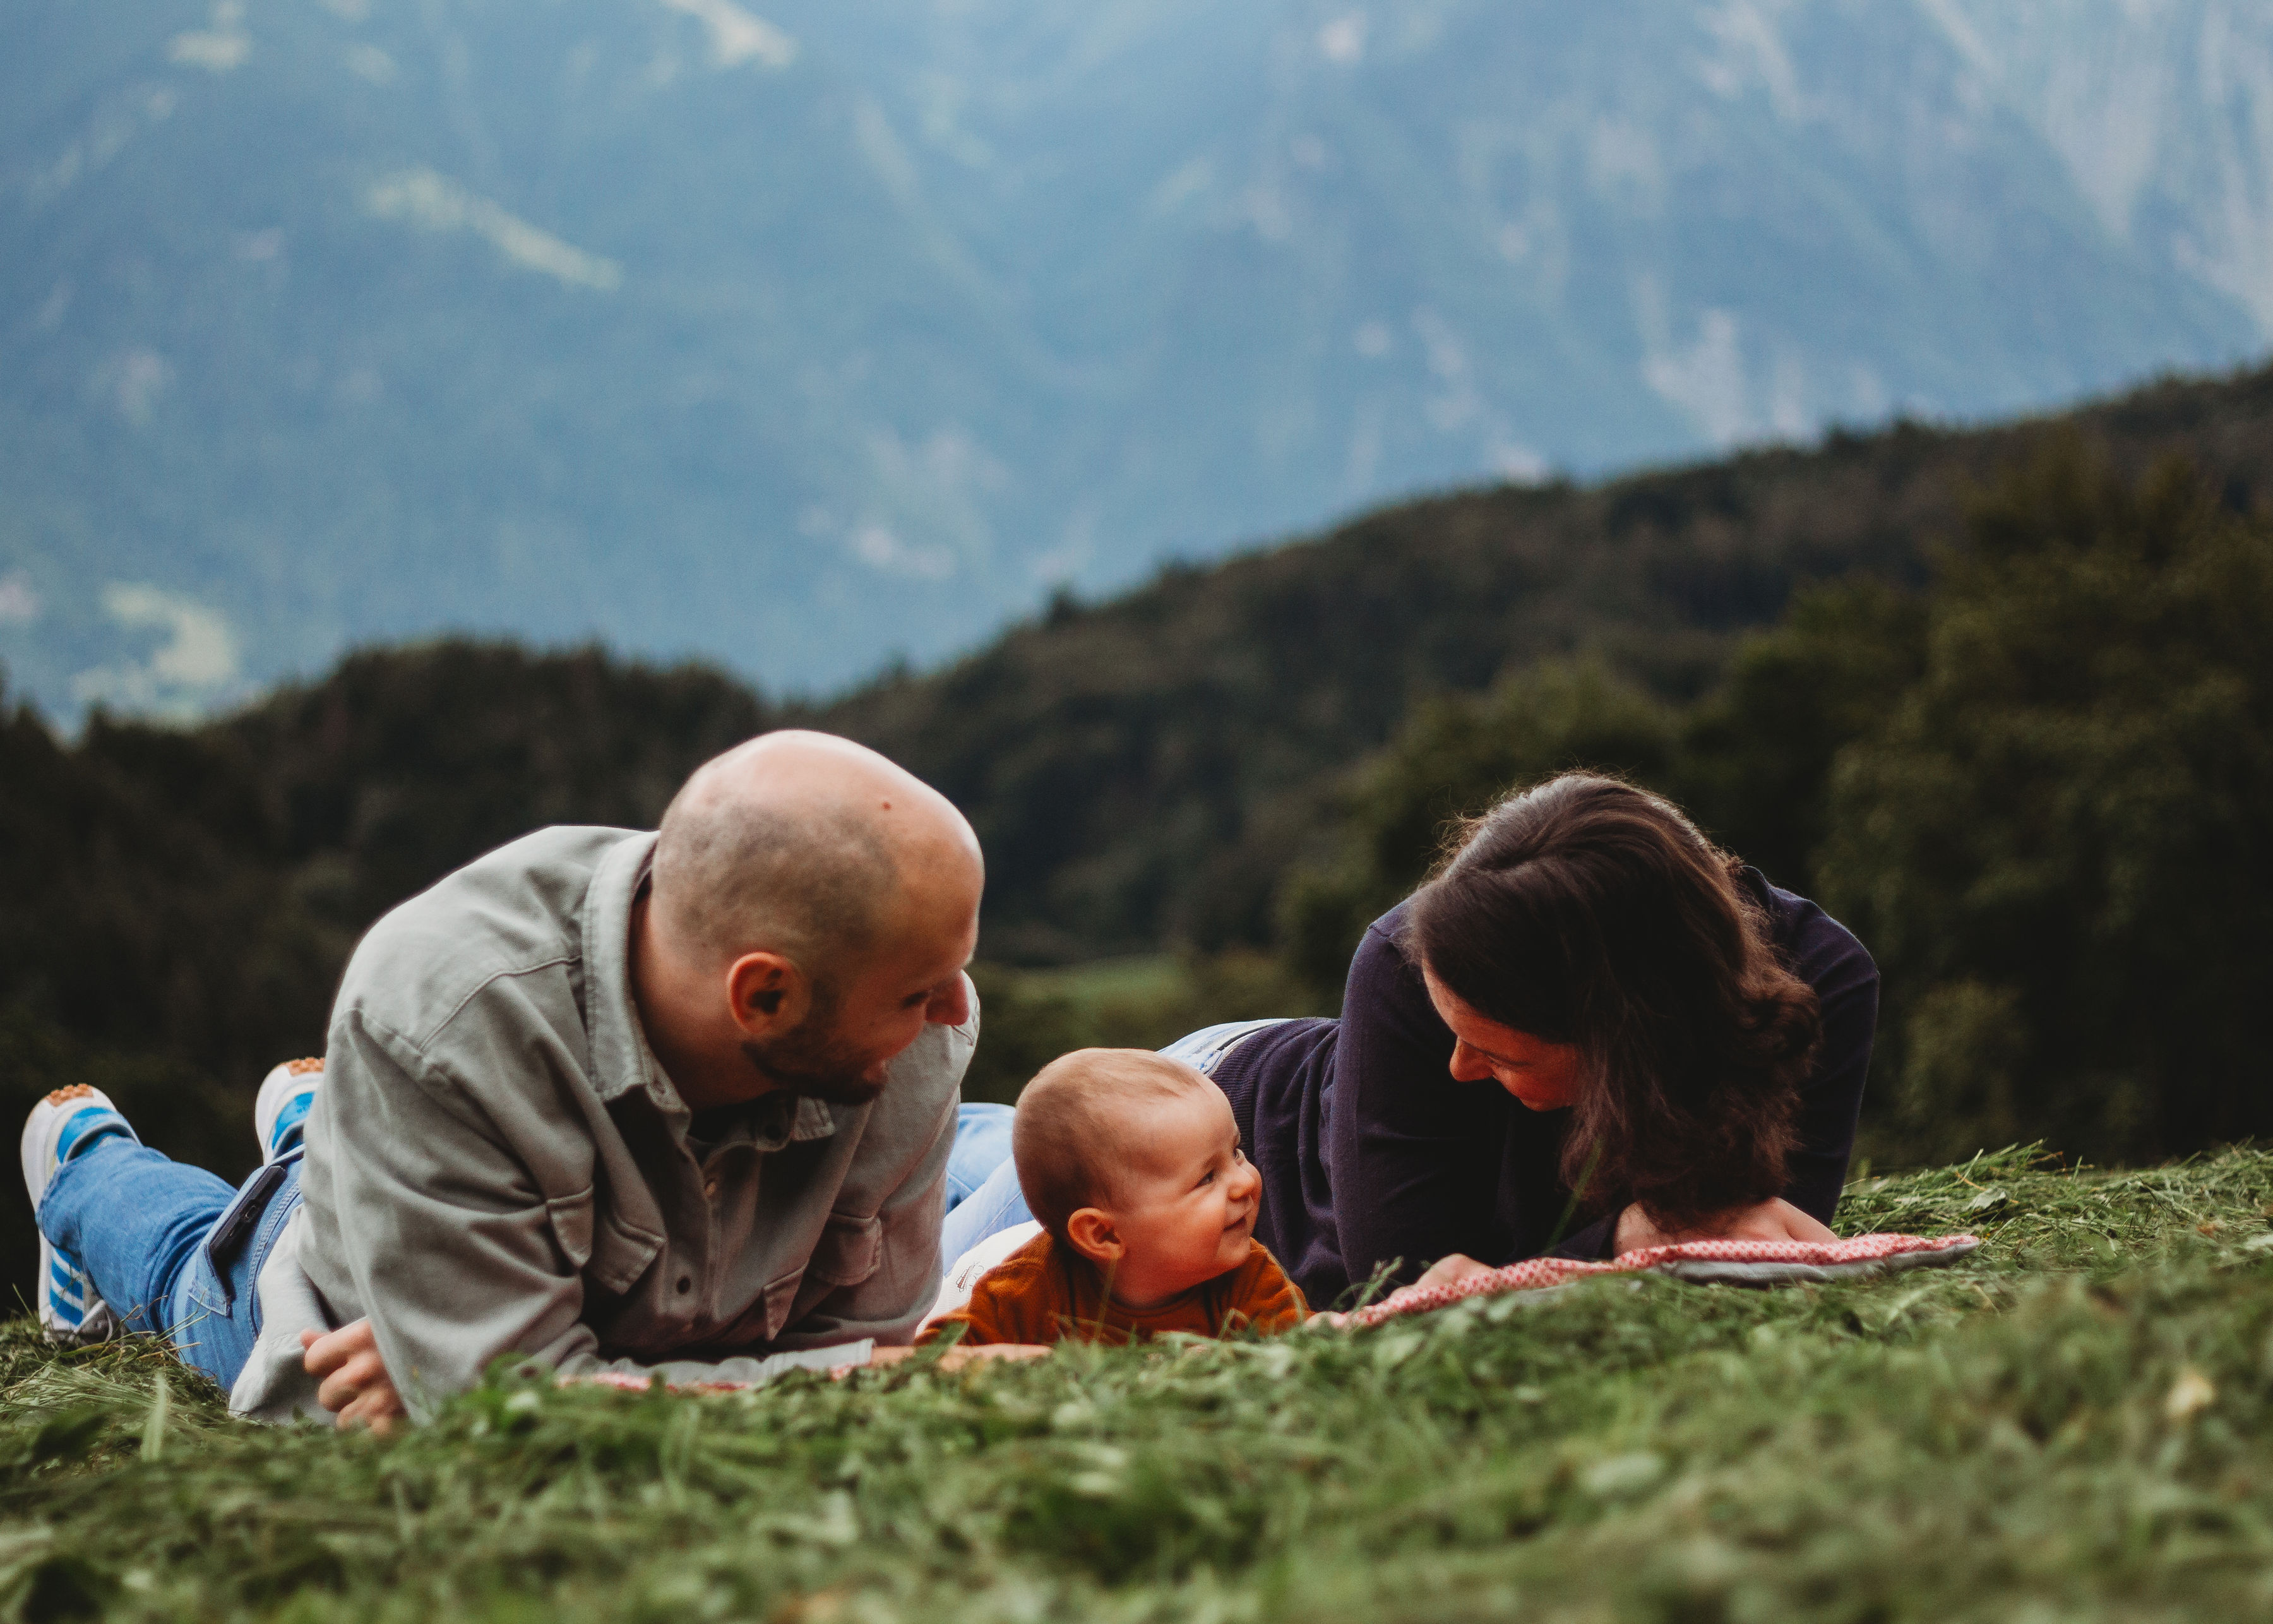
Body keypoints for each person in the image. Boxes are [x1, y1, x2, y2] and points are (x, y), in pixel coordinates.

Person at [23, 731, 1033, 1425]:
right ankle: (81, 1169)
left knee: (353, 1178)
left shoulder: (911, 1041)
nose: (955, 1012)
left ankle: (318, 1131)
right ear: (761, 996)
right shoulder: (442, 1022)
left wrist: (493, 1377)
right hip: (334, 1302)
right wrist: (501, 1388)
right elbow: (862, 1384)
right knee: (188, 1278)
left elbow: (867, 1351)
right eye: (919, 991)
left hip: (458, 1219)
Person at [945, 773, 1875, 1311]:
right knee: (924, 1270)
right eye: (1454, 1032)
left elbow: (1758, 1244)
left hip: (1253, 1117)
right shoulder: (1400, 965)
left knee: (971, 1150)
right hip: (1191, 1130)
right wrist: (1629, 1237)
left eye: (1502, 1055)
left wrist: (1652, 1240)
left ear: (1620, 1038)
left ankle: (968, 1129)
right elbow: (1402, 1282)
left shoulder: (1814, 983)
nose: (1460, 1069)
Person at [919, 1049, 1305, 1347]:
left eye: (1236, 1152)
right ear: (1104, 1235)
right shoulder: (1024, 1292)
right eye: (1207, 1178)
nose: (1244, 1182)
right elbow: (931, 1359)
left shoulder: (1249, 1280)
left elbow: (1301, 1351)